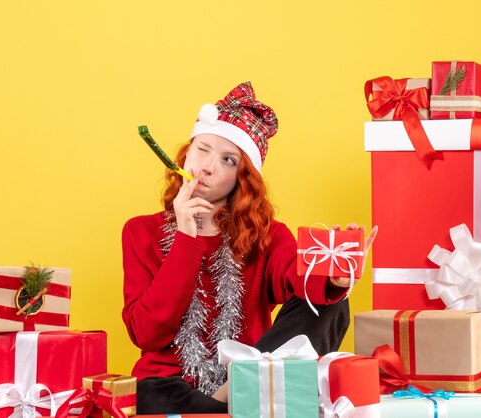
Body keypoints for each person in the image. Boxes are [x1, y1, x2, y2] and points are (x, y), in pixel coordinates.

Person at [121, 82, 377, 414]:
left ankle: (236, 389)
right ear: (185, 155)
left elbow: (296, 272)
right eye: (203, 149)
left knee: (331, 304)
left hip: (246, 371)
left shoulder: (266, 235)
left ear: (242, 177)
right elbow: (147, 335)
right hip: (170, 385)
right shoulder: (141, 231)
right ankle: (231, 402)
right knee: (147, 396)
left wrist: (335, 277)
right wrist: (186, 238)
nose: (208, 166)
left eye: (228, 160)